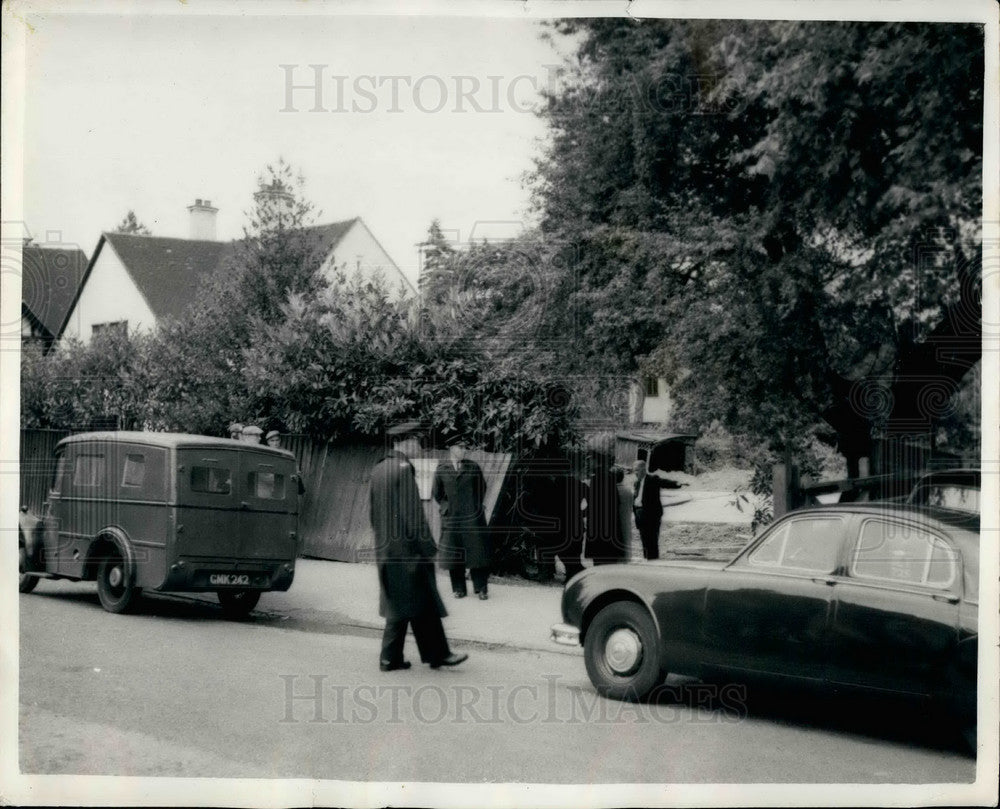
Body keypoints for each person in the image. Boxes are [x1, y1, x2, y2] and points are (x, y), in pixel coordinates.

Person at [369, 422, 467, 672]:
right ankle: (437, 654)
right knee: (420, 600)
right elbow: (414, 518)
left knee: (405, 603)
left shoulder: (380, 468)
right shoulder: (403, 469)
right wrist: (429, 549)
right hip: (408, 551)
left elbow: (372, 514)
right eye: (418, 443)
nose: (420, 448)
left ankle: (392, 658)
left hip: (388, 550)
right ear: (406, 442)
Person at [432, 434, 491, 600]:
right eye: (461, 447)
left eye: (465, 447)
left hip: (472, 517)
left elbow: (482, 489)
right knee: (454, 553)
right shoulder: (442, 469)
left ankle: (481, 588)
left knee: (477, 552)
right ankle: (459, 589)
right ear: (451, 448)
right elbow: (437, 494)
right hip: (452, 518)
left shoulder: (473, 467)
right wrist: (447, 509)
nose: (464, 450)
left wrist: (474, 506)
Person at [632, 458, 686, 560]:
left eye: (637, 470)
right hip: (640, 514)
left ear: (643, 470)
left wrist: (677, 484)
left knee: (652, 539)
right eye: (634, 470)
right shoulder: (636, 483)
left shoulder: (652, 479)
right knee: (644, 538)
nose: (635, 473)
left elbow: (664, 482)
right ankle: (646, 559)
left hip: (651, 515)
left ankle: (653, 560)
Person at [584, 450, 626, 565]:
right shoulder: (609, 475)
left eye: (589, 460)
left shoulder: (597, 478)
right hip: (610, 526)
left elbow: (594, 505)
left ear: (596, 461)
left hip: (600, 528)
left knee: (600, 560)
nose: (587, 463)